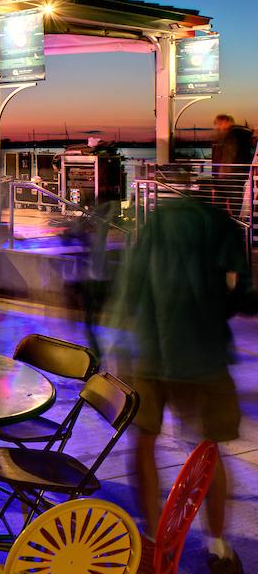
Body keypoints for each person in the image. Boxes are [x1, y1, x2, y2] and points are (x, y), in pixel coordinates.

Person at [108, 197, 251, 574]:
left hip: (151, 351)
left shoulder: (155, 222)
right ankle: (218, 546)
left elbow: (131, 282)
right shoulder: (223, 226)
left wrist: (119, 344)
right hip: (204, 355)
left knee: (143, 444)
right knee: (209, 450)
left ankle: (153, 541)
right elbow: (241, 294)